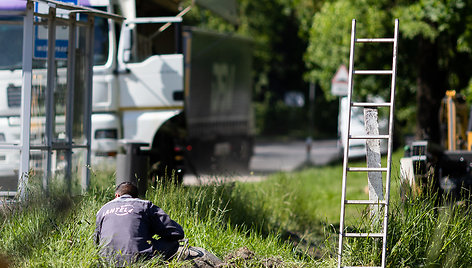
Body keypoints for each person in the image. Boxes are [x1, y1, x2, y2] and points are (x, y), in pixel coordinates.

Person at [95, 182, 184, 265]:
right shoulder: (144, 205)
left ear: (116, 195)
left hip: (107, 260)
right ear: (136, 197)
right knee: (173, 243)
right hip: (139, 259)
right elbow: (176, 232)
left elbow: (96, 242)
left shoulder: (102, 210)